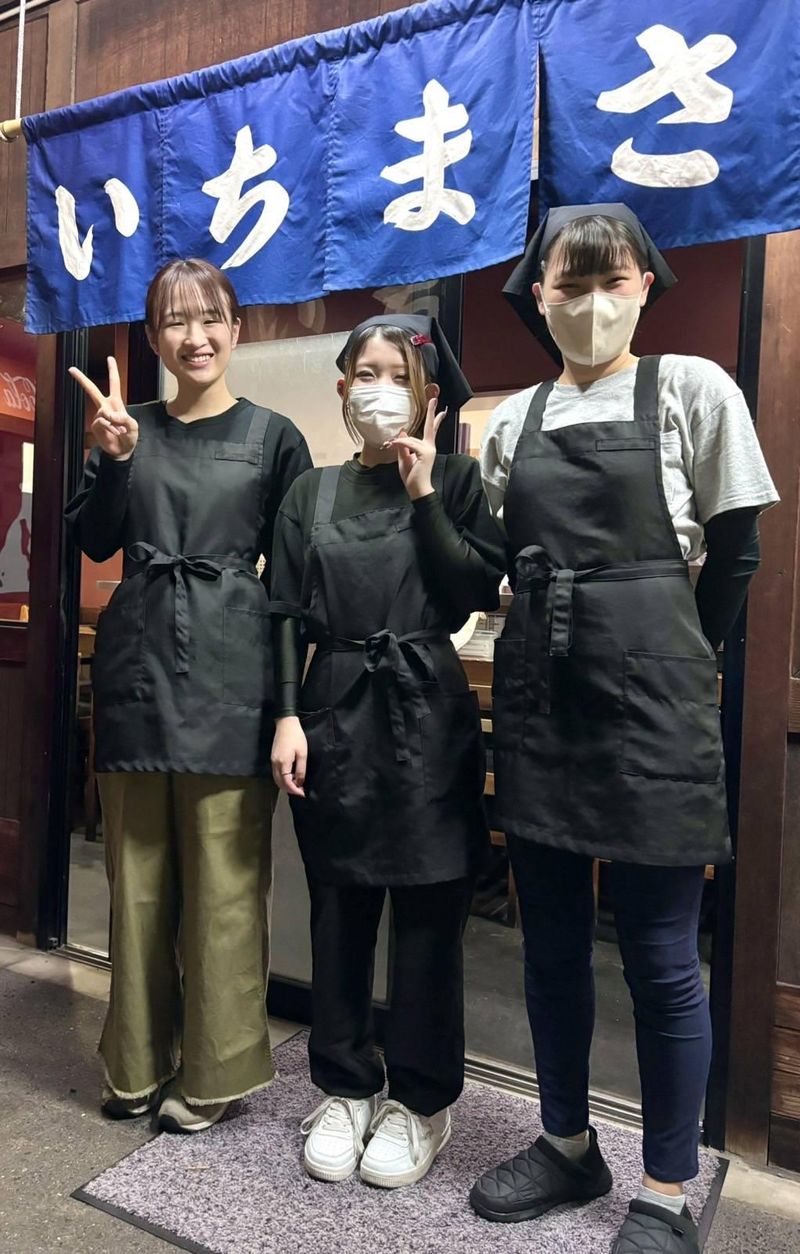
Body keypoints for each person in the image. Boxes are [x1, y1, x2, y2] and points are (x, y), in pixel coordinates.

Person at [469, 204, 779, 1253]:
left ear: (645, 286)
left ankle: (666, 1189)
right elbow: (496, 556)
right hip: (539, 696)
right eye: (571, 284)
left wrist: (674, 653)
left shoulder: (694, 388)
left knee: (658, 953)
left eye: (612, 282)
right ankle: (566, 1144)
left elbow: (734, 552)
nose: (592, 303)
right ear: (540, 294)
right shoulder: (511, 419)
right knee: (550, 942)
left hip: (656, 700)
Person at [66, 258, 311, 1133]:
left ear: (236, 330)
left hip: (232, 680)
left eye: (210, 318)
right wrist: (113, 462)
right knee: (135, 885)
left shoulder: (275, 437)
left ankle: (213, 1073)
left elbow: (292, 588)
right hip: (136, 676)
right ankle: (135, 1062)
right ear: (153, 336)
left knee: (223, 889)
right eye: (175, 320)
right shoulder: (124, 426)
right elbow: (95, 543)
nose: (195, 336)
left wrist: (289, 706)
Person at [269, 314, 504, 1188]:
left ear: (427, 394)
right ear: (342, 389)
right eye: (365, 373)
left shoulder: (460, 481)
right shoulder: (313, 494)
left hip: (426, 704)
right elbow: (282, 612)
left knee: (431, 910)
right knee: (339, 906)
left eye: (397, 375)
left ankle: (422, 1101)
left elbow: (470, 588)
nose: (379, 389)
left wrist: (424, 491)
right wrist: (285, 715)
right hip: (333, 704)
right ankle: (344, 1086)